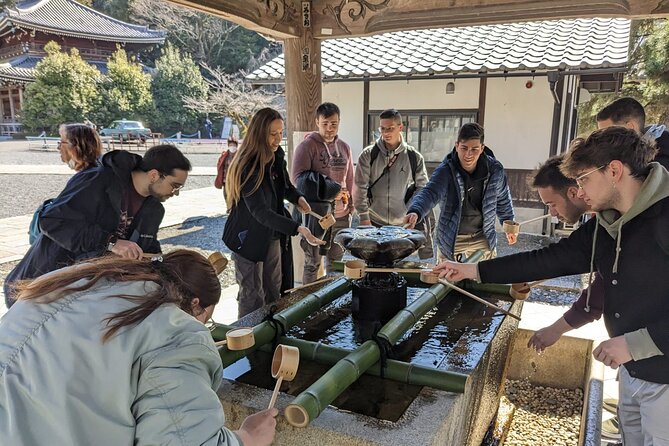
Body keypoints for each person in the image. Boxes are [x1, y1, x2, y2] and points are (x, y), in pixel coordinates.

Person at [435, 127, 669, 444]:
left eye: (584, 179)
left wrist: (634, 343)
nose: (579, 191)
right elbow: (548, 259)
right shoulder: (609, 222)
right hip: (632, 370)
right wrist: (472, 269)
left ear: (614, 171)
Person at [0, 249, 278, 445]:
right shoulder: (176, 332)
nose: (203, 324)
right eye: (208, 316)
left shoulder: (71, 280)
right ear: (195, 305)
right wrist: (246, 438)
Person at [4, 144, 191, 308]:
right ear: (154, 175)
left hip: (84, 297)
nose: (176, 193)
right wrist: (111, 242)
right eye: (175, 186)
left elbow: (147, 248)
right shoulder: (97, 179)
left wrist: (167, 266)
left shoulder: (154, 209)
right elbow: (52, 220)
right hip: (41, 287)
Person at [223, 108, 324, 318]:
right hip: (247, 236)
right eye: (272, 134)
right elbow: (260, 212)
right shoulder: (247, 166)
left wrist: (297, 198)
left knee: (274, 289)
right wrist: (297, 228)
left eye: (281, 133)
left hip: (272, 235)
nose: (278, 139)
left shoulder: (276, 157)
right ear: (259, 133)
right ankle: (250, 341)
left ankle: (271, 334)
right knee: (252, 294)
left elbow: (286, 186)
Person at [404, 123, 515, 261]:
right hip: (452, 238)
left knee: (484, 279)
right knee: (446, 280)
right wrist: (416, 211)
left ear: (482, 148)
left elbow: (503, 199)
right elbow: (430, 192)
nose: (468, 154)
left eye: (474, 149)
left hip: (483, 236)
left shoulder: (494, 170)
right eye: (464, 148)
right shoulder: (446, 170)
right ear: (457, 146)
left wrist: (509, 225)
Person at [353, 109, 433, 258]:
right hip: (373, 221)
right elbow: (359, 187)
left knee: (402, 265)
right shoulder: (368, 155)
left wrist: (412, 210)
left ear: (400, 128)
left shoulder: (413, 156)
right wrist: (364, 216)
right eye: (382, 128)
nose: (386, 132)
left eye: (390, 128)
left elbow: (422, 188)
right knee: (373, 266)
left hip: (403, 223)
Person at [291, 102, 355, 283]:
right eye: (325, 123)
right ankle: (308, 305)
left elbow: (350, 178)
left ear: (339, 122)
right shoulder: (307, 146)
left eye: (334, 123)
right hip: (316, 215)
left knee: (336, 262)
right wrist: (329, 191)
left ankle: (331, 302)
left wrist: (351, 205)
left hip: (341, 214)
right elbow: (298, 180)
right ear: (317, 122)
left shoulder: (344, 147)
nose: (329, 128)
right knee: (312, 263)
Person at [29, 123, 103, 245]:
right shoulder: (93, 172)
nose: (58, 148)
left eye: (61, 143)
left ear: (76, 147)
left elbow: (53, 219)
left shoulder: (89, 178)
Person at [596, 96, 669, 168]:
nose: (604, 140)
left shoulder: (661, 156)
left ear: (630, 127)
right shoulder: (629, 156)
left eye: (609, 133)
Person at [215, 138, 239, 211]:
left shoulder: (240, 155)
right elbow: (220, 165)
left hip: (236, 179)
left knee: (235, 194)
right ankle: (229, 207)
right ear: (228, 146)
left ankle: (234, 207)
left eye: (234, 145)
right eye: (231, 145)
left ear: (236, 146)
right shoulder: (224, 155)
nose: (232, 147)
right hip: (226, 179)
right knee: (226, 194)